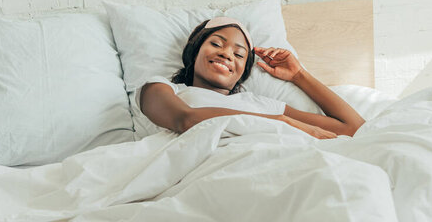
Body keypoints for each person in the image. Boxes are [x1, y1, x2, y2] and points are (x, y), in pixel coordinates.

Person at [139, 16, 365, 139]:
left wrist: (299, 75)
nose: (226, 53)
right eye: (216, 43)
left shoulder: (259, 104)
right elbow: (185, 119)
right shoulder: (162, 88)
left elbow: (354, 128)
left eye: (238, 54)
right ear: (194, 51)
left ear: (241, 74)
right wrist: (278, 120)